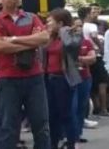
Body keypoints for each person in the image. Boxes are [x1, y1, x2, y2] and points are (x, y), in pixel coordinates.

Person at [0, 0, 51, 149]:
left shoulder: (31, 17)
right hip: (8, 79)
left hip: (34, 77)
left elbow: (44, 38)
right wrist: (31, 42)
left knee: (41, 124)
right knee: (9, 127)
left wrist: (13, 39)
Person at [43, 9, 83, 149]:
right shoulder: (49, 36)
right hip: (49, 78)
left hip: (64, 79)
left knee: (66, 113)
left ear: (60, 23)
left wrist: (64, 30)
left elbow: (70, 46)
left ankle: (71, 142)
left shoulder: (74, 34)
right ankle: (53, 143)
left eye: (50, 21)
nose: (47, 23)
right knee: (51, 114)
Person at [79, 6, 108, 119]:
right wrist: (101, 48)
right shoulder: (91, 26)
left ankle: (95, 106)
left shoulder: (81, 26)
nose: (95, 14)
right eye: (92, 12)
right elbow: (94, 37)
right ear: (87, 14)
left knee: (91, 82)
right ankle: (103, 108)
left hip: (85, 54)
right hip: (96, 55)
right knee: (102, 83)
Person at [72, 17, 97, 143]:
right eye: (75, 26)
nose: (78, 28)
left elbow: (93, 58)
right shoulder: (66, 42)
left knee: (82, 106)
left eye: (80, 26)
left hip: (85, 77)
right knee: (72, 107)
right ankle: (68, 134)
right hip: (69, 79)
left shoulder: (86, 42)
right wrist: (84, 58)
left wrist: (79, 59)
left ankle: (77, 134)